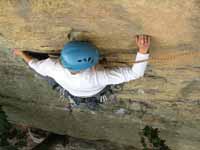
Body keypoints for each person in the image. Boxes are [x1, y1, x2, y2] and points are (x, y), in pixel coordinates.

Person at [13, 34, 150, 109]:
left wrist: (21, 54)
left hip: (73, 90)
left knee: (50, 78)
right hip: (93, 90)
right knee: (109, 87)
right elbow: (135, 74)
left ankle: (80, 101)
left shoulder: (53, 67)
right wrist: (143, 51)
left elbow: (34, 64)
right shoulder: (100, 77)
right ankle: (87, 101)